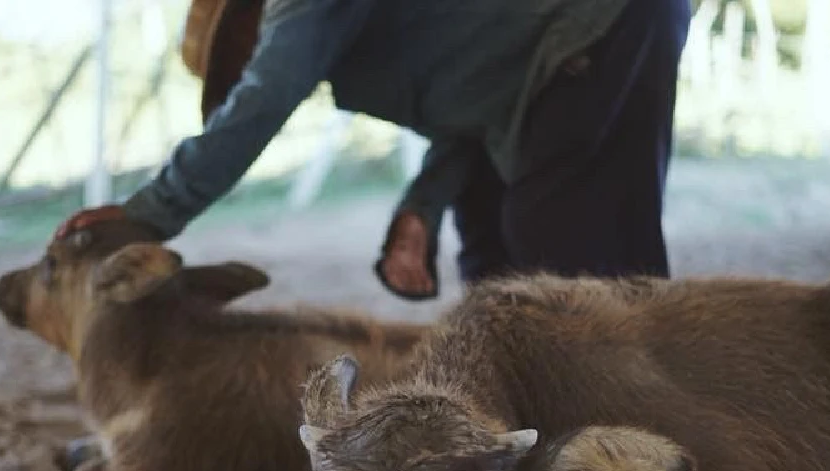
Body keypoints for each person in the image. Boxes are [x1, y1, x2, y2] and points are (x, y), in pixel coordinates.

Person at [55, 0, 693, 300]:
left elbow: (265, 94)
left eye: (237, 54)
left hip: (605, 21)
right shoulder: (357, 55)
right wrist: (419, 210)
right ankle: (537, 430)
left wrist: (153, 212)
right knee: (492, 258)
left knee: (565, 245)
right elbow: (473, 117)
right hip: (543, 76)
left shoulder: (300, 13)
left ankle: (652, 444)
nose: (251, 61)